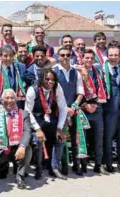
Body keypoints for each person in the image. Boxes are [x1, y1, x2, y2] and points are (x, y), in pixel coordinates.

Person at [24, 68, 67, 180]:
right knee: (38, 140)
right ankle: (39, 168)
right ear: (42, 79)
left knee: (60, 138)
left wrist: (59, 128)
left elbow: (63, 108)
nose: (50, 82)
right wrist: (37, 129)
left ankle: (55, 168)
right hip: (36, 119)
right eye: (47, 79)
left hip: (51, 119)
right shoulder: (32, 90)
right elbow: (28, 111)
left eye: (52, 79)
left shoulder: (57, 87)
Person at [51, 47, 83, 178]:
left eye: (68, 55)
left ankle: (76, 164)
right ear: (58, 57)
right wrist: (64, 108)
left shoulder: (77, 72)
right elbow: (51, 93)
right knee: (60, 139)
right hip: (59, 110)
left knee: (76, 139)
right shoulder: (53, 72)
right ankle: (60, 165)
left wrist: (74, 106)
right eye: (62, 55)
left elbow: (80, 92)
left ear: (71, 56)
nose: (65, 57)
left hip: (73, 110)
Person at [0, 89, 33, 189]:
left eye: (12, 98)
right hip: (1, 147)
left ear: (16, 100)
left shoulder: (23, 114)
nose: (9, 100)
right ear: (1, 100)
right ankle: (2, 167)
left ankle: (20, 175)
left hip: (16, 148)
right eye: (7, 98)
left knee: (27, 148)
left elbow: (27, 131)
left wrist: (22, 146)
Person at [78, 49, 107, 176]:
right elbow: (75, 90)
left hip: (96, 109)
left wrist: (95, 104)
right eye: (87, 58)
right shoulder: (77, 71)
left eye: (91, 58)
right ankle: (83, 165)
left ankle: (98, 165)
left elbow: (103, 88)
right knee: (82, 139)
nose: (89, 60)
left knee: (98, 139)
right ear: (82, 59)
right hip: (82, 109)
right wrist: (85, 104)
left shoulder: (99, 72)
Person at [102, 44, 120, 173]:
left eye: (116, 55)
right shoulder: (102, 69)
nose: (113, 57)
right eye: (111, 55)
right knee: (108, 137)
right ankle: (108, 163)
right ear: (107, 56)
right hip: (109, 109)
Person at [0, 45, 27, 110]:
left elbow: (27, 83)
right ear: (1, 56)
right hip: (2, 104)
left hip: (18, 103)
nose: (8, 58)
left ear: (14, 56)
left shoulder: (21, 67)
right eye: (5, 56)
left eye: (11, 55)